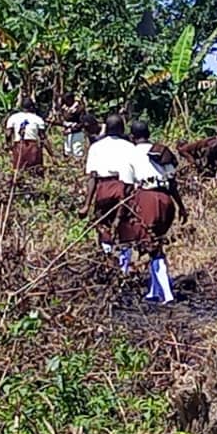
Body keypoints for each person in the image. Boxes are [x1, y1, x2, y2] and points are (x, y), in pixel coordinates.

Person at [118, 120, 188, 304]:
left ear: (132, 136)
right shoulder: (161, 150)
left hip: (146, 199)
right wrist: (181, 207)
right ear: (149, 134)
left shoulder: (129, 154)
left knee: (152, 247)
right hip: (166, 200)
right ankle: (153, 292)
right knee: (155, 242)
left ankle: (168, 295)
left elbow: (127, 185)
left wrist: (122, 211)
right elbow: (172, 181)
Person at [79, 114, 135, 266]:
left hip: (103, 189)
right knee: (124, 228)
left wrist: (86, 205)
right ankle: (124, 268)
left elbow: (92, 177)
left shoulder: (96, 147)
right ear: (122, 129)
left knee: (102, 224)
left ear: (106, 128)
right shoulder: (130, 147)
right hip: (124, 188)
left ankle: (108, 261)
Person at [5, 98, 48, 174]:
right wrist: (51, 154)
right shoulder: (37, 119)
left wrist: (9, 146)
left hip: (19, 147)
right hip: (33, 148)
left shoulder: (13, 117)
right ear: (32, 107)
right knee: (35, 171)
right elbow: (43, 138)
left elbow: (8, 134)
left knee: (19, 171)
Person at [61, 93, 87, 159]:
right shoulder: (65, 108)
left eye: (67, 100)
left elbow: (82, 123)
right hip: (67, 133)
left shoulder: (79, 109)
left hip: (77, 133)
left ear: (71, 99)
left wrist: (71, 130)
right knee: (67, 151)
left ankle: (78, 162)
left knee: (77, 151)